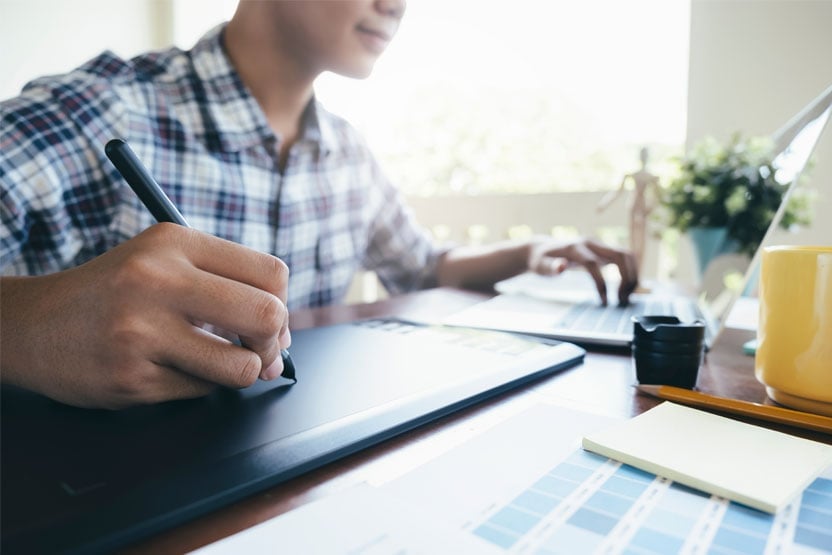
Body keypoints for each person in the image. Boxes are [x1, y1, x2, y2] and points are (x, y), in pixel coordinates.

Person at [0, 0, 637, 409]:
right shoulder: (102, 110)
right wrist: (24, 325)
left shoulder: (347, 153)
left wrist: (530, 250)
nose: (397, 5)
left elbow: (423, 268)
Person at [597, 146, 661, 274]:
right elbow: (617, 192)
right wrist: (603, 204)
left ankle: (638, 277)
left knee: (642, 245)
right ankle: (633, 277)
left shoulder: (651, 177)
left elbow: (658, 196)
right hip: (633, 208)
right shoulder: (633, 175)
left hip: (643, 211)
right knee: (632, 245)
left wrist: (651, 207)